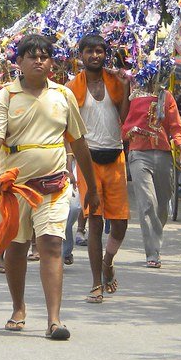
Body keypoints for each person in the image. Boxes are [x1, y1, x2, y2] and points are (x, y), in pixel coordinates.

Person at [0, 34, 99, 341]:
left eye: (44, 56)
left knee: (52, 245)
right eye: (31, 56)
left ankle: (54, 320)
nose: (38, 61)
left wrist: (92, 188)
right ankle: (19, 308)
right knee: (17, 249)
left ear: (52, 62)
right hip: (15, 188)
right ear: (18, 62)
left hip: (55, 185)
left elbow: (79, 143)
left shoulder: (63, 95)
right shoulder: (6, 96)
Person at [65, 35, 129, 304]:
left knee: (121, 223)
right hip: (87, 161)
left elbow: (123, 118)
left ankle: (108, 262)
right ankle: (95, 284)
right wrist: (69, 162)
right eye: (89, 51)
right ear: (80, 55)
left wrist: (126, 90)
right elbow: (67, 129)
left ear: (106, 54)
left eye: (99, 51)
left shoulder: (115, 82)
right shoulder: (71, 88)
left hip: (115, 159)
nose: (94, 56)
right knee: (94, 222)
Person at [122, 78, 181, 270]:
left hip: (162, 154)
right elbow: (123, 124)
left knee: (162, 204)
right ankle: (152, 252)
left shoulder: (166, 97)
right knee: (147, 204)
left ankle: (155, 239)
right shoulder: (132, 96)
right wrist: (130, 132)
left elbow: (176, 127)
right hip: (138, 154)